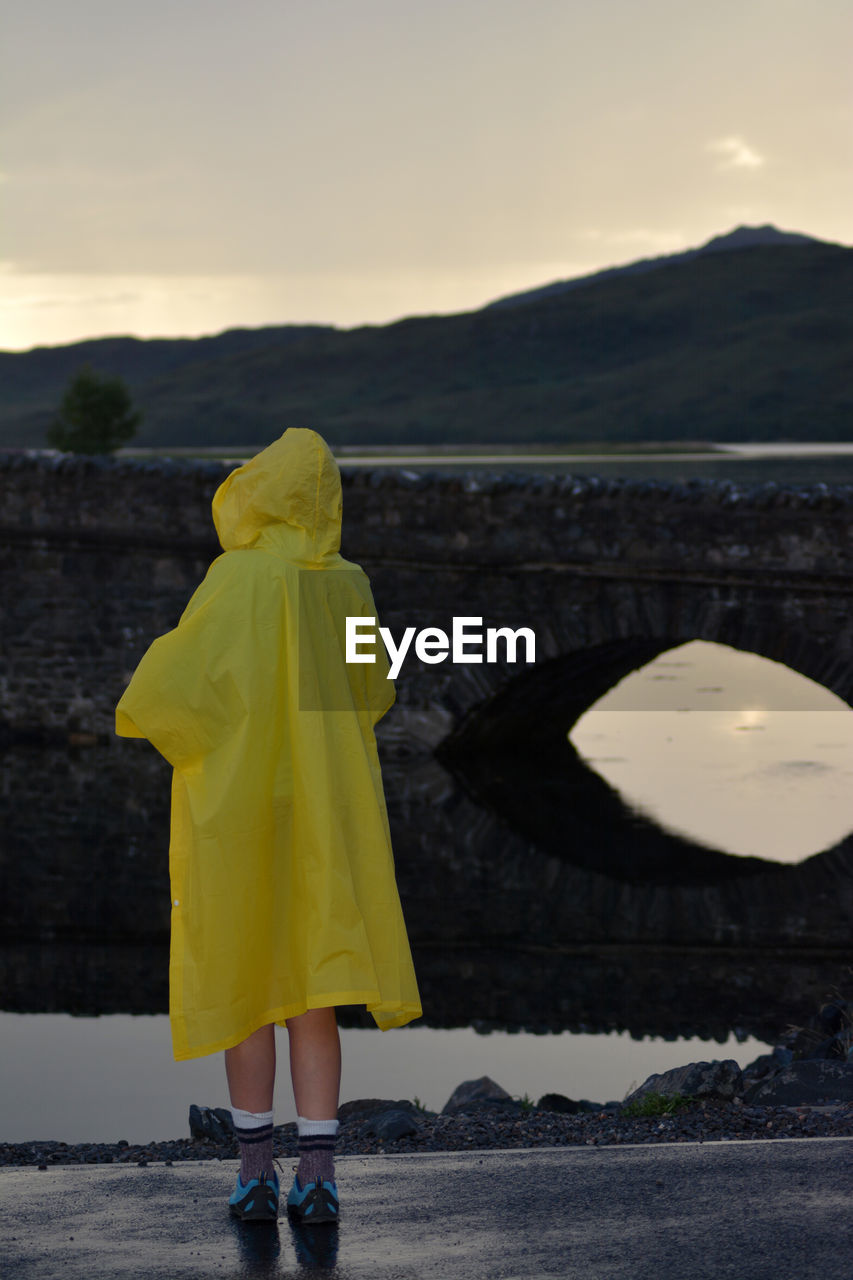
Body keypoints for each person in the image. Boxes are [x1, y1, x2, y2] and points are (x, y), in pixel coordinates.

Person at [115, 428, 421, 1223]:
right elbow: (373, 690)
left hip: (244, 809)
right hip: (325, 809)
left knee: (246, 990)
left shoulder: (235, 579)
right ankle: (317, 1179)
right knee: (313, 993)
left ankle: (254, 1174)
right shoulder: (345, 582)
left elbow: (169, 692)